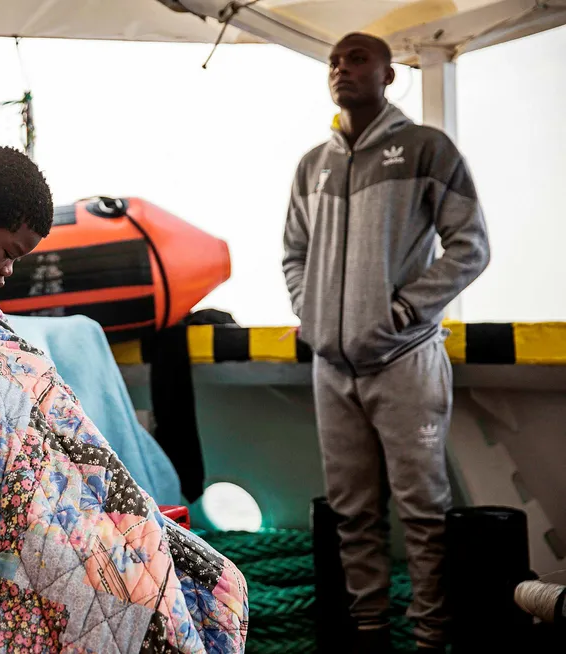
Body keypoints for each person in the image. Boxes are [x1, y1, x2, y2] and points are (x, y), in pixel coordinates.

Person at [0, 146, 249, 653]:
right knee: (130, 597)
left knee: (215, 579)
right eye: (10, 253)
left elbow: (10, 368)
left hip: (41, 464)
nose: (9, 272)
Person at [282, 33, 490, 653]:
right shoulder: (313, 164)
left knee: (424, 514)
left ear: (390, 74)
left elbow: (470, 246)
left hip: (405, 361)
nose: (342, 69)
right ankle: (370, 636)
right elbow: (293, 253)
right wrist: (310, 309)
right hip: (332, 368)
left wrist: (404, 310)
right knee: (354, 516)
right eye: (334, 62)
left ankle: (431, 640)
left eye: (357, 58)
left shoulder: (427, 148)